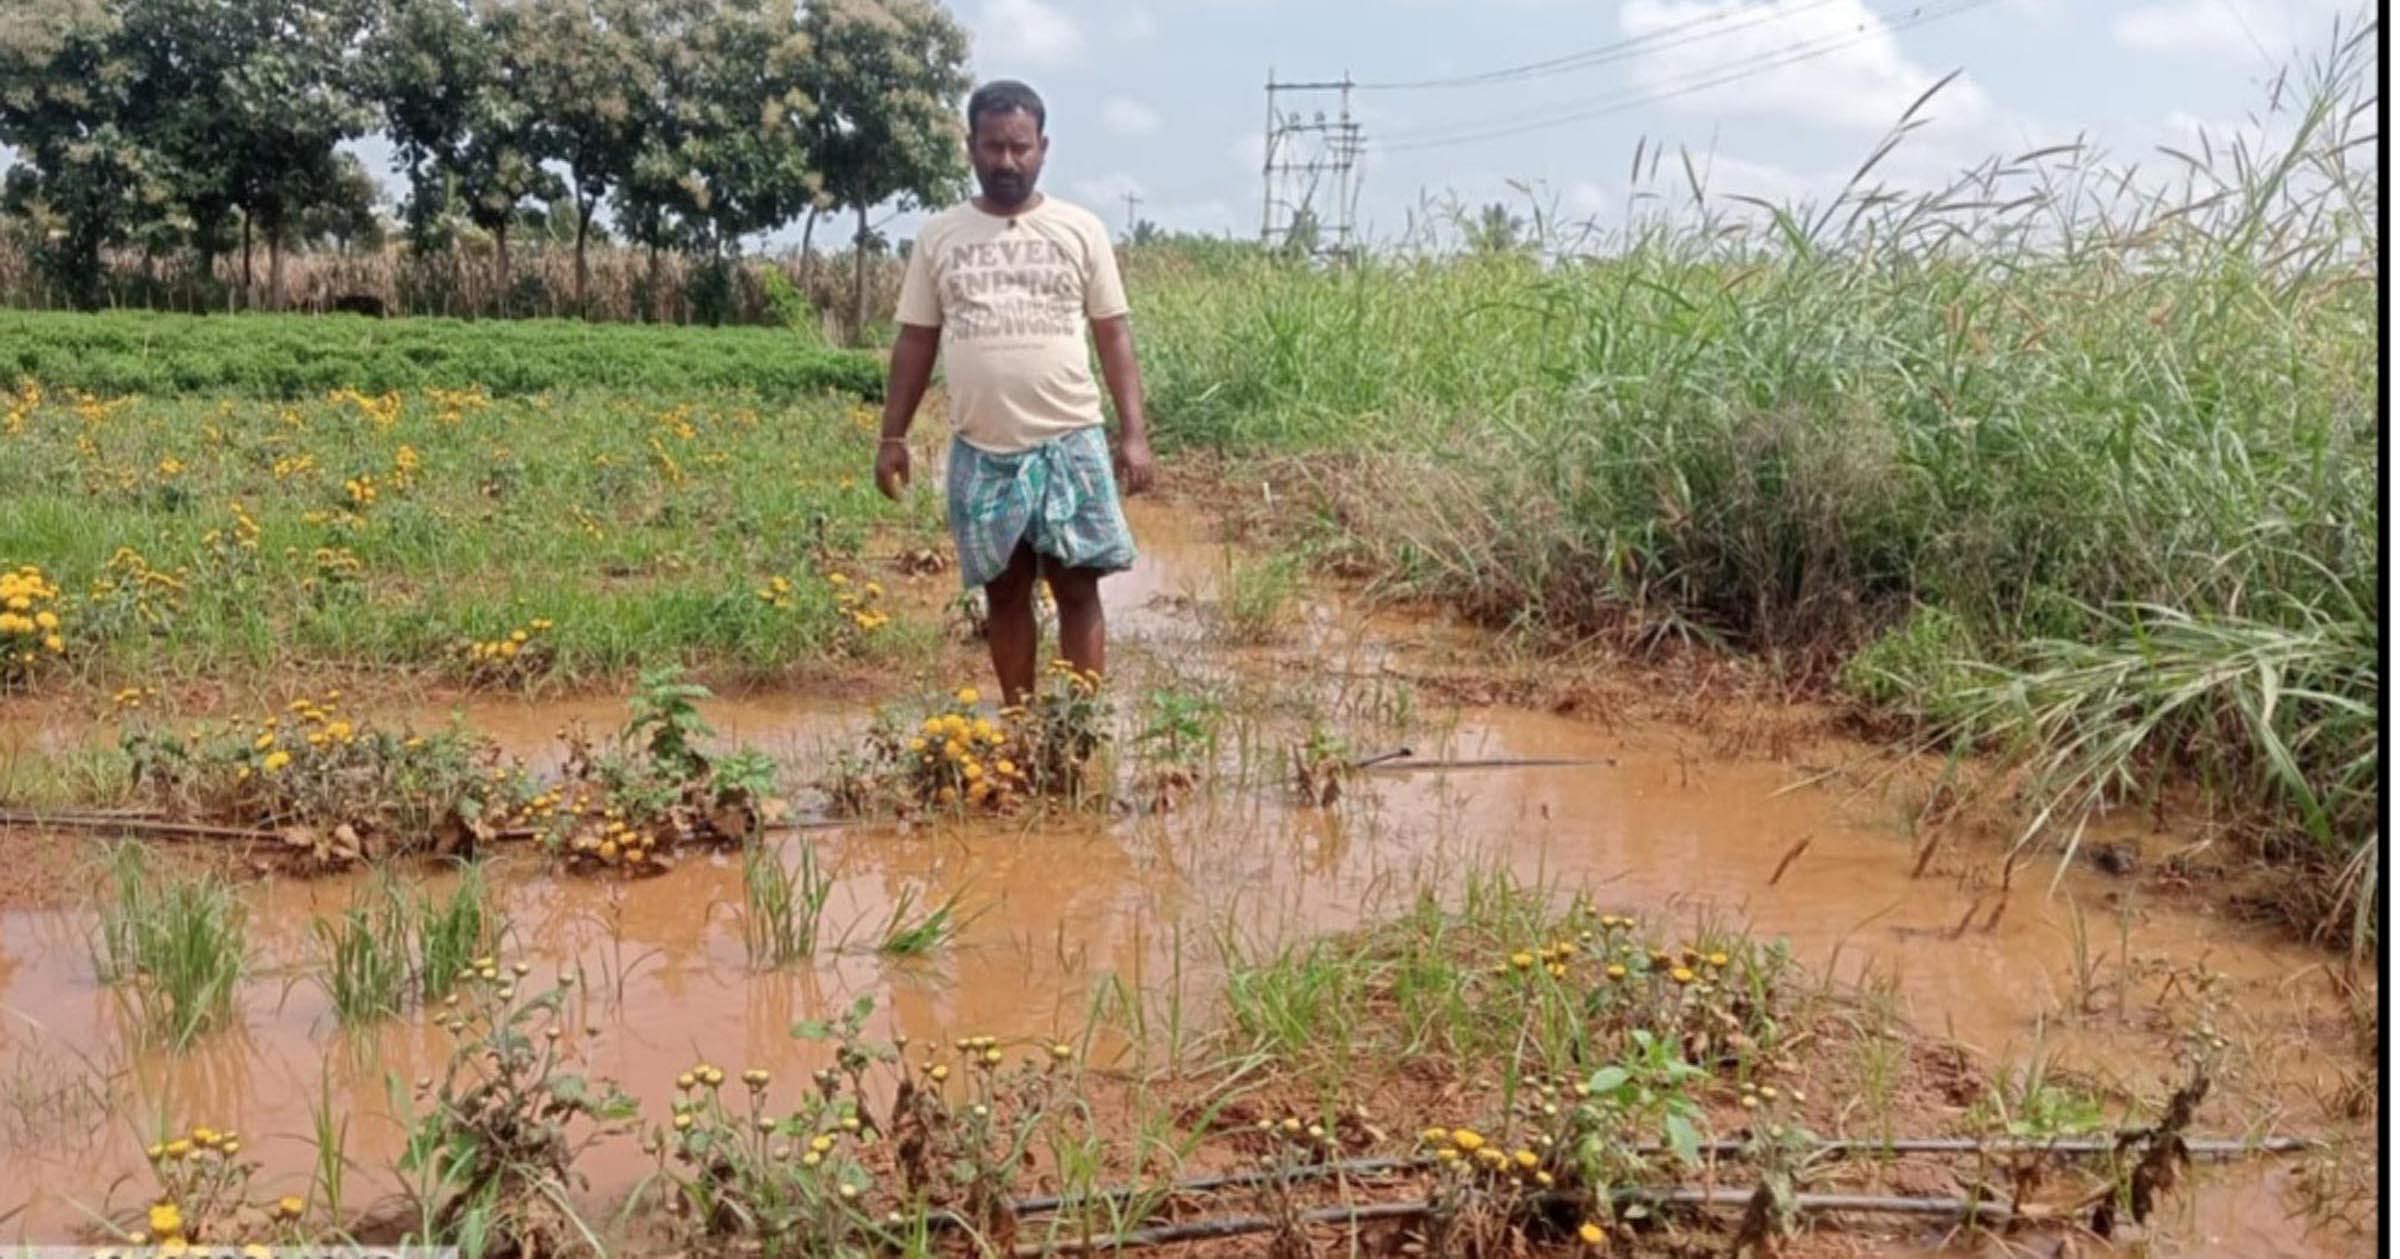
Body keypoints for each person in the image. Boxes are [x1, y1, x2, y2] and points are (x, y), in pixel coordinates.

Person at [875, 78, 1156, 706]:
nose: (1007, 161)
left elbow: (1113, 335)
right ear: (970, 147)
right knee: (1005, 595)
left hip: (1071, 443)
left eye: (1020, 147)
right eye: (994, 147)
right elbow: (916, 341)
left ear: (1043, 148)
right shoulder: (940, 236)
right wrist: (892, 437)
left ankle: (1078, 731)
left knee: (1077, 590)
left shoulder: (1079, 230)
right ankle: (1024, 730)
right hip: (982, 450)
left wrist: (1133, 434)